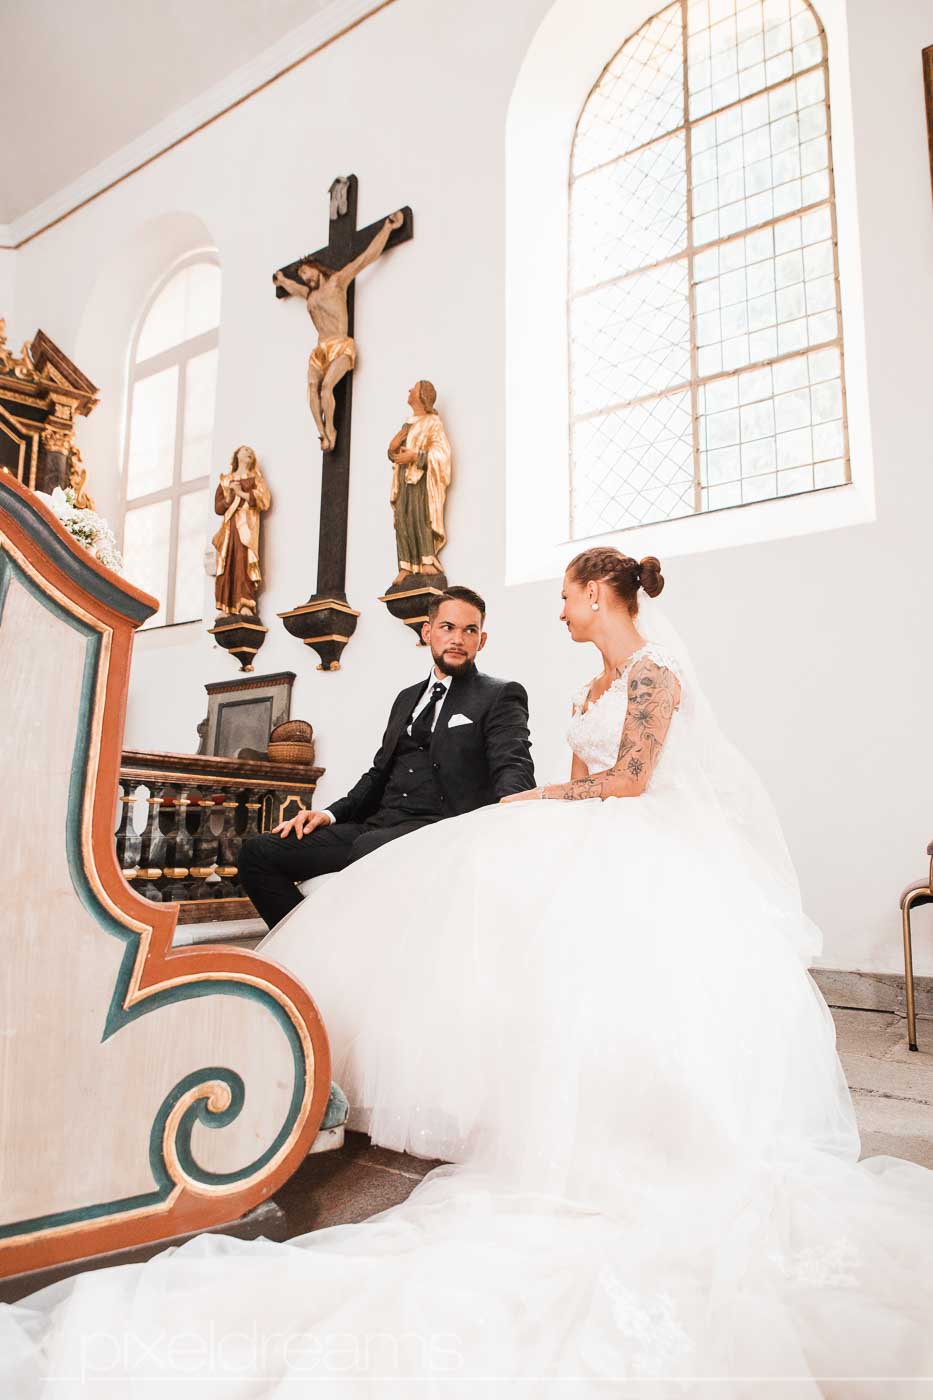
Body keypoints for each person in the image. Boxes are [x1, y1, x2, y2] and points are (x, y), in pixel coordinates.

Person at [6, 546, 933, 1392]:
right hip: (568, 827)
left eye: (568, 598)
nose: (562, 612)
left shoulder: (652, 676)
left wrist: (532, 800)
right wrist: (512, 808)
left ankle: (632, 1118)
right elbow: (541, 776)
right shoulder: (589, 681)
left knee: (614, 976)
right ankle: (327, 1025)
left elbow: (632, 782)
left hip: (642, 844)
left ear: (600, 595)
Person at [237, 585, 534, 929]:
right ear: (428, 632)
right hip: (378, 823)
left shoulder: (499, 694)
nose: (458, 639)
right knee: (258, 853)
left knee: (368, 848)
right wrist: (329, 815)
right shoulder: (406, 698)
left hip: (438, 830)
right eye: (447, 627)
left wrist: (511, 826)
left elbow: (513, 767)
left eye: (470, 630)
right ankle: (304, 946)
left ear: (481, 641)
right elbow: (378, 773)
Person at [272, 212, 404, 453]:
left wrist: (388, 228)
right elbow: (293, 288)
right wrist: (282, 280)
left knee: (325, 389)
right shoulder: (309, 295)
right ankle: (321, 432)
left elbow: (366, 258)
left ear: (315, 267)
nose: (305, 278)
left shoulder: (337, 282)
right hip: (320, 349)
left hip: (340, 345)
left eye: (306, 272)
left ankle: (330, 429)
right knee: (311, 390)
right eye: (301, 276)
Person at [387, 380, 451, 584]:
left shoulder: (433, 423)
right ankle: (406, 564)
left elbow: (442, 454)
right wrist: (393, 448)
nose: (408, 390)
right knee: (403, 520)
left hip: (422, 482)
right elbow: (395, 453)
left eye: (413, 389)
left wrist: (415, 457)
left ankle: (426, 561)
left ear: (422, 395)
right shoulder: (408, 424)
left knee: (420, 517)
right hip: (404, 481)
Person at [211, 445, 271, 616]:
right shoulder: (225, 480)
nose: (249, 452)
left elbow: (264, 500)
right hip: (229, 528)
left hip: (247, 526)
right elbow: (218, 507)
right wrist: (230, 497)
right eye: (245, 450)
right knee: (227, 562)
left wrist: (242, 494)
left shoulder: (256, 479)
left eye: (251, 452)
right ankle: (226, 606)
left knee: (242, 561)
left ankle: (245, 603)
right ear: (236, 455)